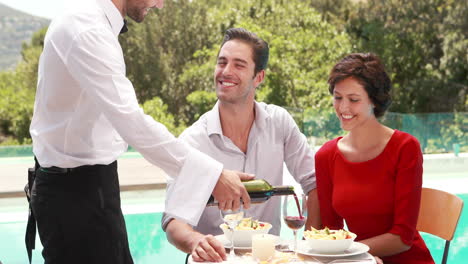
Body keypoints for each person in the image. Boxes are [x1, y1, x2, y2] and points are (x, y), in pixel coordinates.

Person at [27, 0, 253, 263]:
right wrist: (212, 175)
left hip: (89, 189)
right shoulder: (87, 29)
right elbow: (131, 122)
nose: (160, 4)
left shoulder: (92, 24)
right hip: (76, 197)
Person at [162, 28, 320, 262]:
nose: (226, 71)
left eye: (239, 65)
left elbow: (314, 183)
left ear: (259, 77)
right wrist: (197, 242)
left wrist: (308, 247)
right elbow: (173, 221)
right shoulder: (192, 141)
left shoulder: (280, 123)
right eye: (222, 62)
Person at [315, 53, 435, 264]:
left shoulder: (405, 148)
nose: (343, 108)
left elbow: (403, 238)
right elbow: (330, 230)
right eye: (337, 97)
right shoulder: (326, 156)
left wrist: (350, 253)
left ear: (374, 101)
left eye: (353, 100)